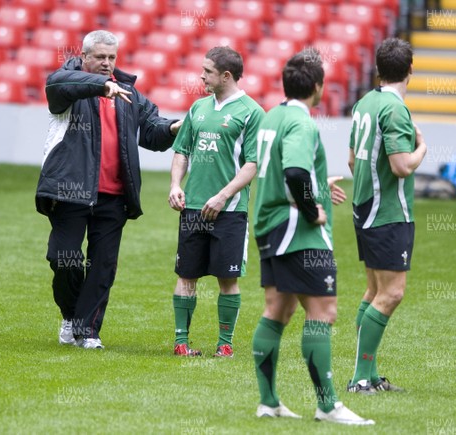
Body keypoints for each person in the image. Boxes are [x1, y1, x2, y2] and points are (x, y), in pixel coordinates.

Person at [35, 30, 182, 349]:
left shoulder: (128, 92)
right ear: (84, 56)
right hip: (69, 190)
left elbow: (152, 132)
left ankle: (88, 331)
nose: (106, 63)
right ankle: (72, 318)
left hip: (114, 195)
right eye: (100, 57)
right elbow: (59, 84)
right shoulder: (65, 83)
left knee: (102, 265)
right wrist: (102, 87)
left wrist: (173, 128)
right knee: (63, 258)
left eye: (111, 58)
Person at [252, 49, 374, 425]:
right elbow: (293, 173)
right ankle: (328, 404)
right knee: (323, 312)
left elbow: (286, 171)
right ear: (318, 87)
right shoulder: (304, 124)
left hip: (269, 224)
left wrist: (320, 184)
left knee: (278, 310)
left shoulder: (273, 116)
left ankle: (269, 402)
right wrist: (312, 208)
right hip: (297, 230)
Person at [168, 46, 264, 357]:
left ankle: (225, 345)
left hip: (230, 211)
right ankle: (181, 343)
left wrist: (223, 196)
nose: (201, 76)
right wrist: (175, 185)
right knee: (186, 275)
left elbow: (252, 163)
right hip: (193, 207)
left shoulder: (252, 112)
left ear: (225, 76)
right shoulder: (197, 109)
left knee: (228, 278)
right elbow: (182, 151)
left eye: (207, 71)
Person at [347, 38, 427, 393]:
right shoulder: (395, 110)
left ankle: (368, 374)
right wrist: (422, 147)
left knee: (374, 290)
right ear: (410, 70)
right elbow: (401, 166)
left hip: (364, 207)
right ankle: (361, 377)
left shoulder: (365, 102)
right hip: (388, 212)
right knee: (391, 294)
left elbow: (352, 161)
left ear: (378, 69)